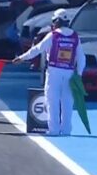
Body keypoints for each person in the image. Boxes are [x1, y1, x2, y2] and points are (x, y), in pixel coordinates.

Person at [13, 8, 86, 136]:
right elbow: (81, 57)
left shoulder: (53, 35)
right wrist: (79, 74)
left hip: (54, 72)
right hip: (69, 72)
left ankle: (54, 129)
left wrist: (22, 58)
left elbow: (37, 49)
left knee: (52, 100)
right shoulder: (75, 37)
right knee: (67, 102)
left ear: (57, 21)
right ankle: (66, 129)